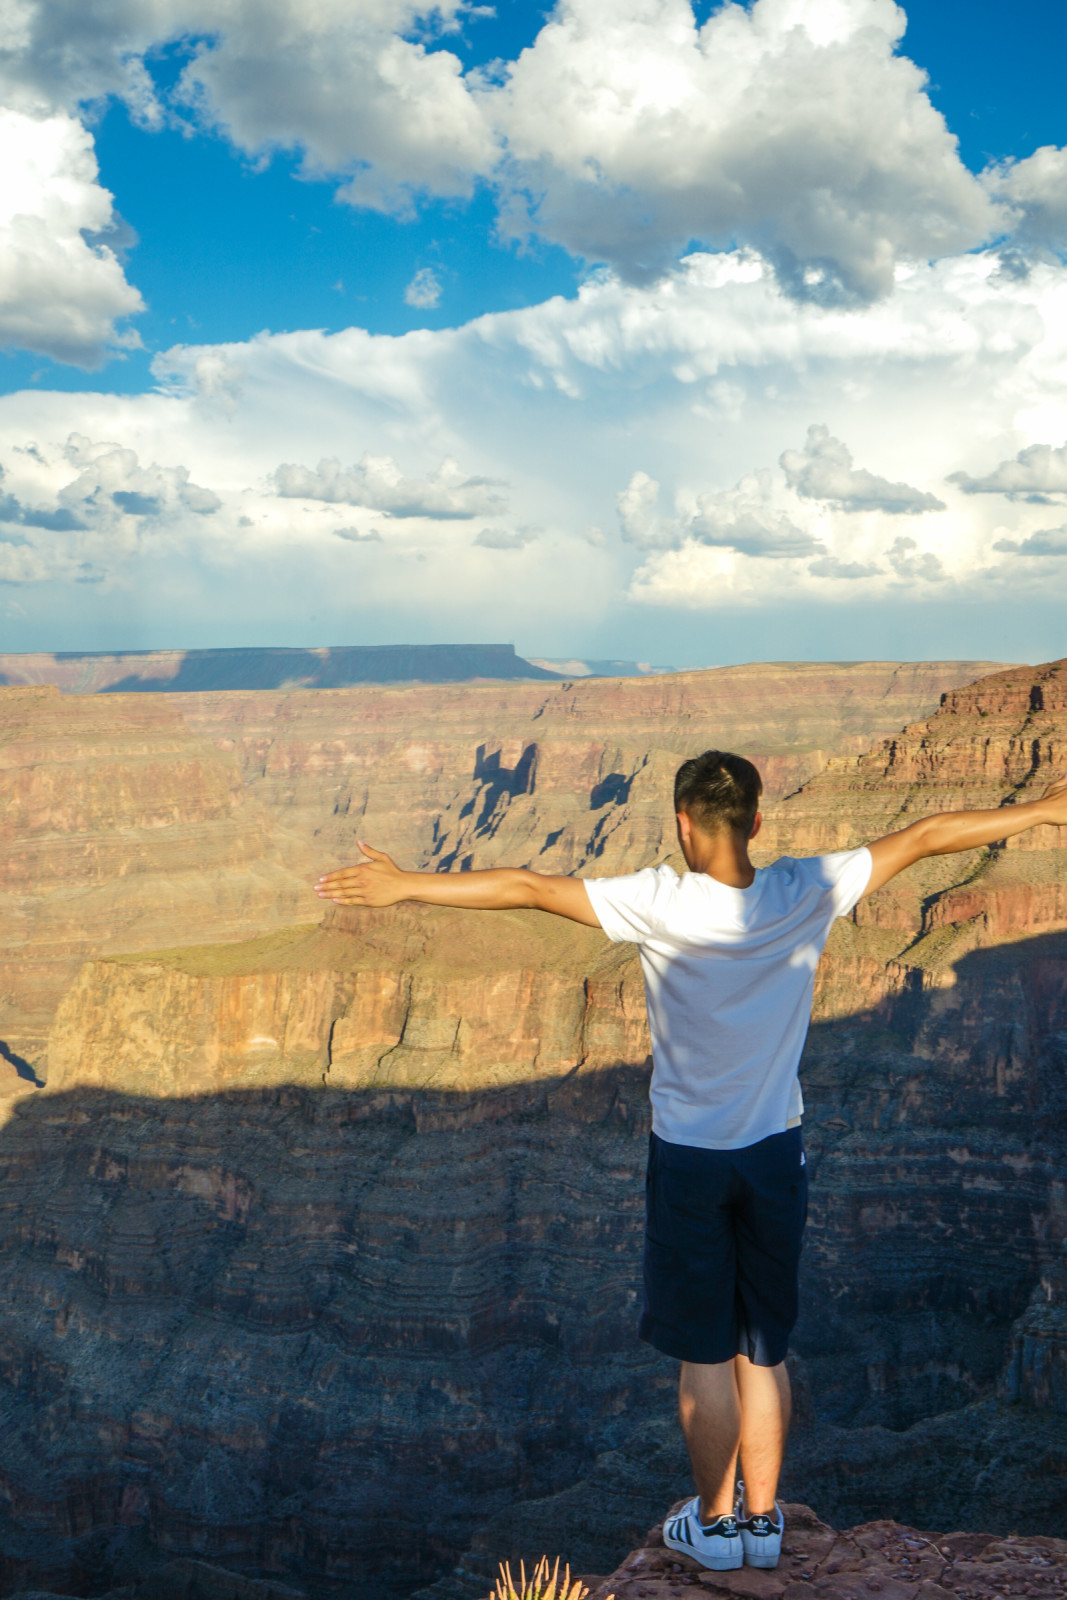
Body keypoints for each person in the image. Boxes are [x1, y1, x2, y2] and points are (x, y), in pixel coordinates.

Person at [315, 749, 1067, 1573]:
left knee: (704, 1355)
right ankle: (762, 1523)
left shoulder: (655, 901)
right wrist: (1038, 811)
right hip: (777, 1153)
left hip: (689, 1163)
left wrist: (406, 883)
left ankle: (709, 1529)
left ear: (681, 822)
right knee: (763, 1348)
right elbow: (926, 837)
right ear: (754, 821)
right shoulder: (804, 888)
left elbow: (527, 885)